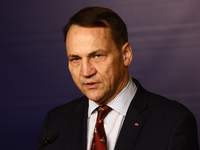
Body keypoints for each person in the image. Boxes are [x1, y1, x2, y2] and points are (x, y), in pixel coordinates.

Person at [37, 7, 199, 150]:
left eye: (97, 55)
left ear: (126, 55)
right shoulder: (55, 122)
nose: (85, 72)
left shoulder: (173, 122)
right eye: (75, 59)